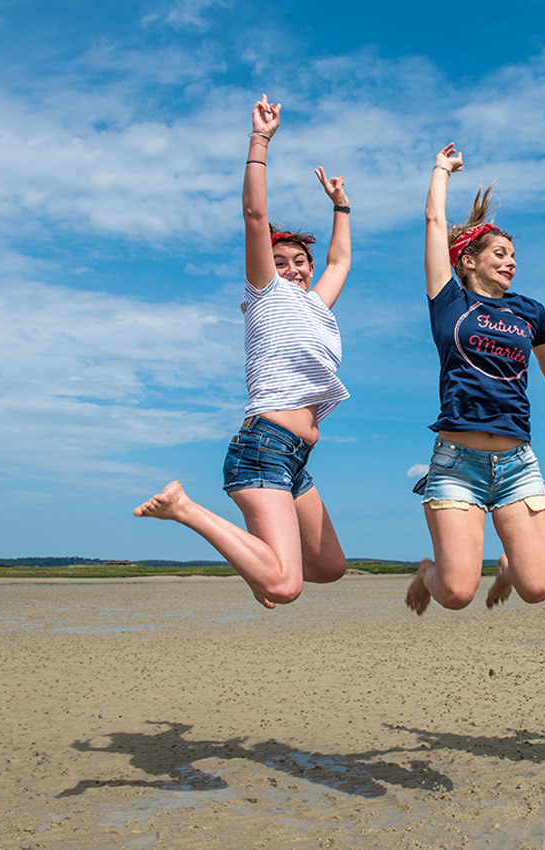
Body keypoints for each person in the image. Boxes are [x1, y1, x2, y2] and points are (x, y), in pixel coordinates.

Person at [134, 94, 352, 609]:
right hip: (263, 447)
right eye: (282, 261)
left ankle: (261, 567)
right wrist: (261, 140)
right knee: (285, 586)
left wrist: (341, 205)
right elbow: (256, 214)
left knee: (330, 567)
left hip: (296, 459)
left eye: (300, 261)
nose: (294, 269)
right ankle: (184, 507)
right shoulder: (264, 294)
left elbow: (339, 263)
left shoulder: (316, 307)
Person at [405, 143, 545, 615]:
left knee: (536, 589)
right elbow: (434, 224)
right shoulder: (449, 303)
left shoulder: (530, 312)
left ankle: (507, 566)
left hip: (516, 463)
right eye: (500, 254)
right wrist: (441, 171)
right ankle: (427, 572)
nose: (511, 262)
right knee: (458, 595)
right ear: (468, 261)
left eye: (513, 256)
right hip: (456, 463)